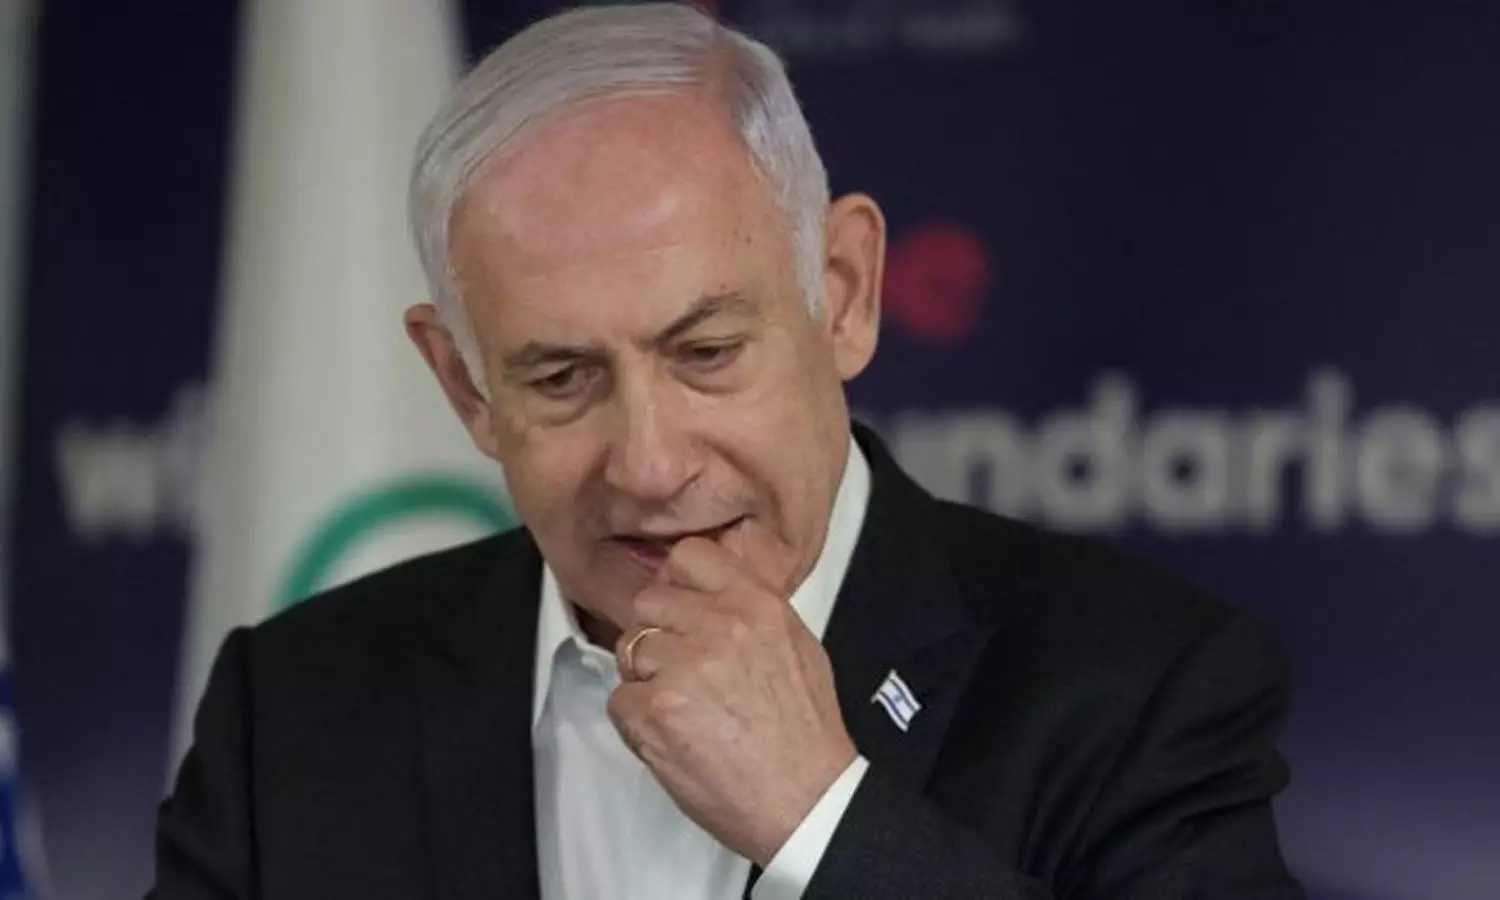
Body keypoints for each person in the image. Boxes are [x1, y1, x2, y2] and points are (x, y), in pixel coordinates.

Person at [151, 4, 1303, 898]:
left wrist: (825, 820)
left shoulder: (1140, 686)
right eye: (561, 379)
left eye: (704, 353)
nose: (650, 467)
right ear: (465, 385)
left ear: (842, 293)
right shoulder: (293, 714)